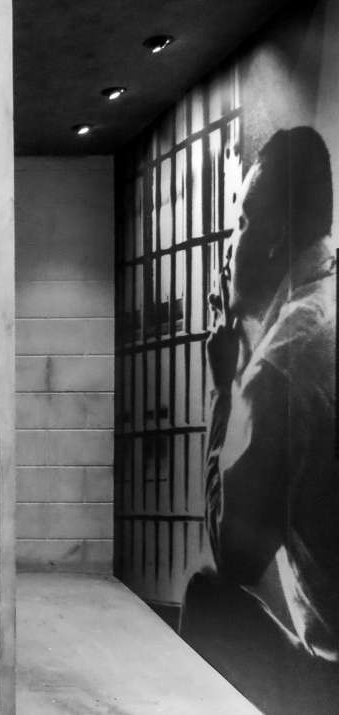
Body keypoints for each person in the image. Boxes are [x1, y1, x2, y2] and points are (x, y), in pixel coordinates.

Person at [179, 127, 339, 714]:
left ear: (274, 238)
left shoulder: (283, 361)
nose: (230, 245)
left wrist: (226, 386)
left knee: (208, 598)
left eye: (242, 223)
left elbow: (236, 554)